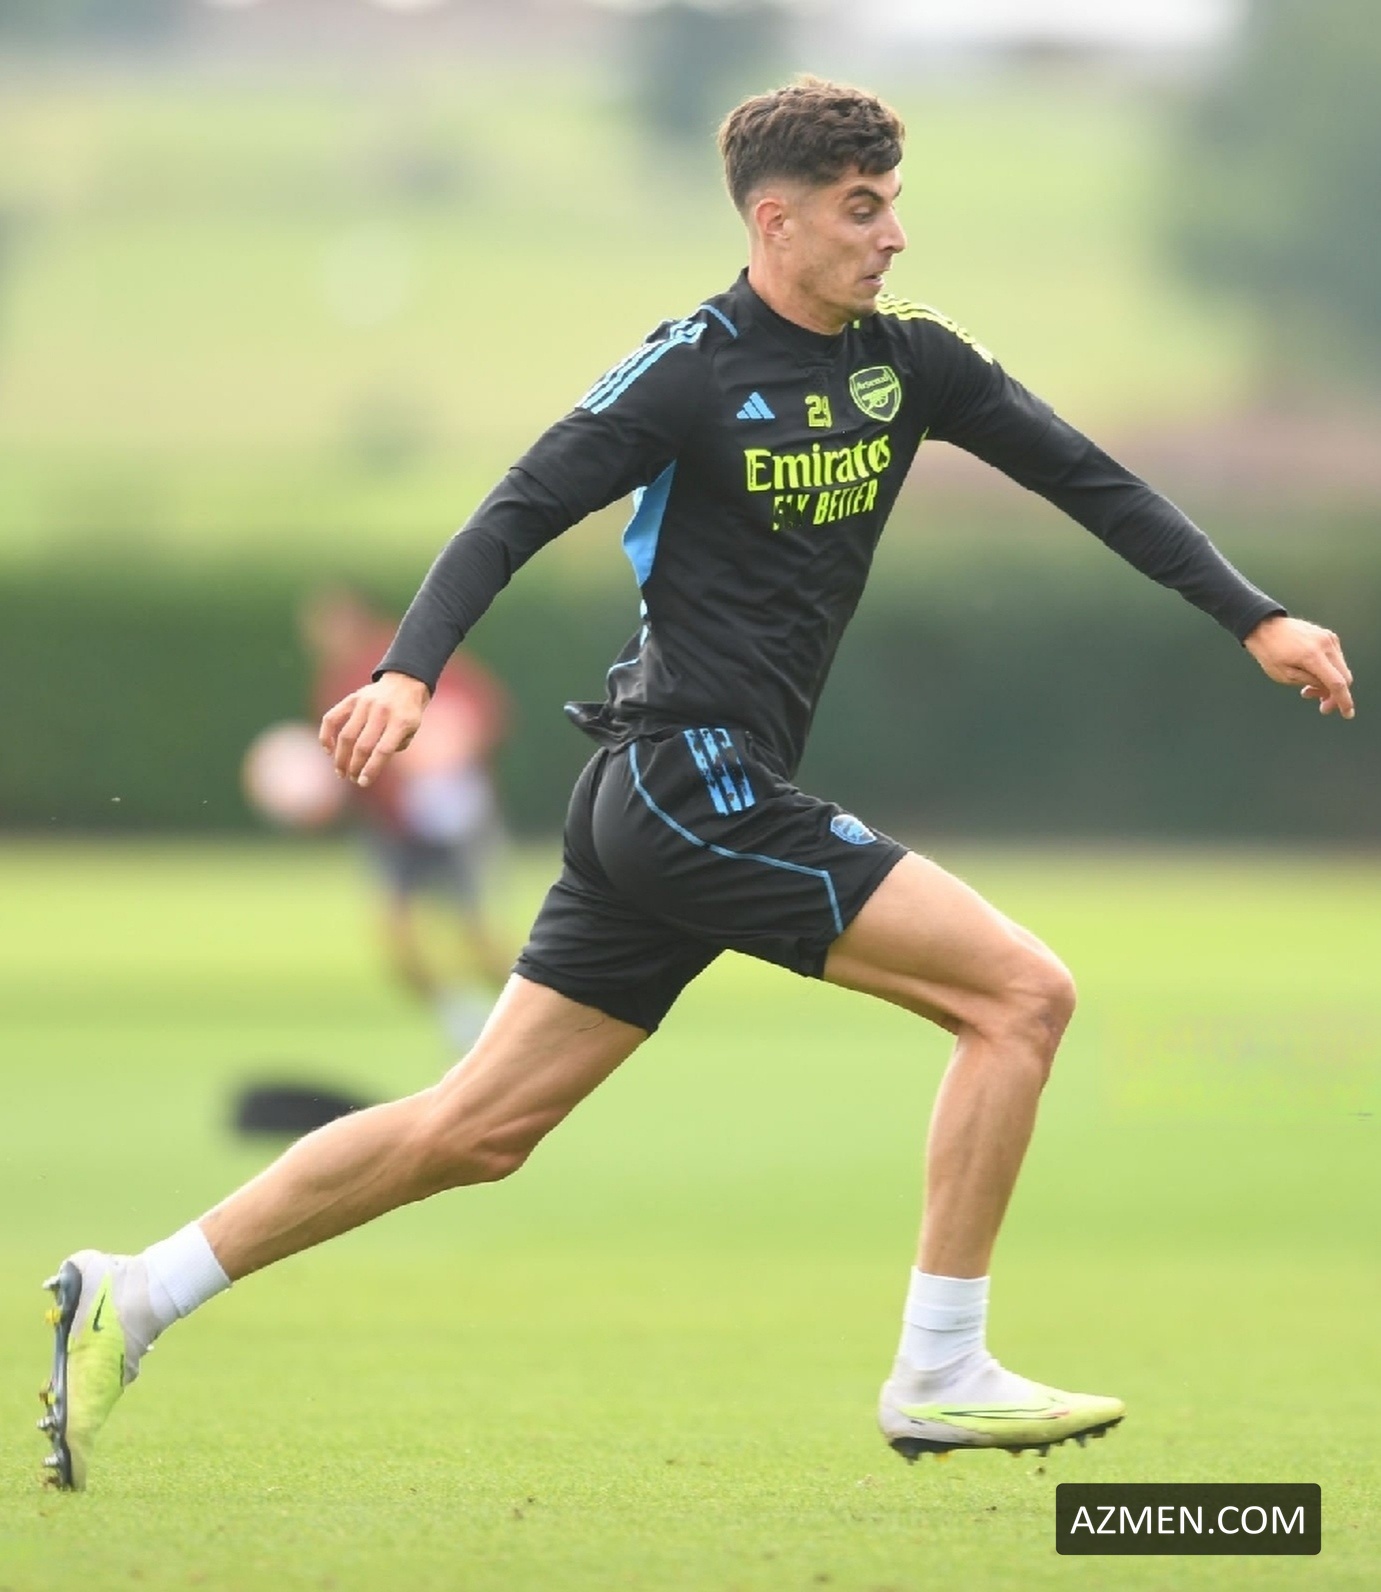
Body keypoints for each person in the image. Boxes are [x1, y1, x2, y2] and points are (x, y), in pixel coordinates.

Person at [39, 77, 1355, 1491]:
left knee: (476, 1129)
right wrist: (409, 670)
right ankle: (940, 1367)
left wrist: (1256, 615)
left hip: (664, 801)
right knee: (1022, 996)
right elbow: (515, 509)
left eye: (893, 203)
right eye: (861, 208)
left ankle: (138, 1290)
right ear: (774, 221)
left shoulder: (914, 364)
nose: (892, 234)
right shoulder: (689, 367)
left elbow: (1090, 480)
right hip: (687, 778)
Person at [299, 586, 512, 1046]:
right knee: (396, 939)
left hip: (452, 815)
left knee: (480, 939)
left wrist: (449, 747)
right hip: (394, 826)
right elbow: (353, 766)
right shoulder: (335, 682)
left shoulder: (409, 654)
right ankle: (462, 1014)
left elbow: (480, 708)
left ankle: (538, 1015)